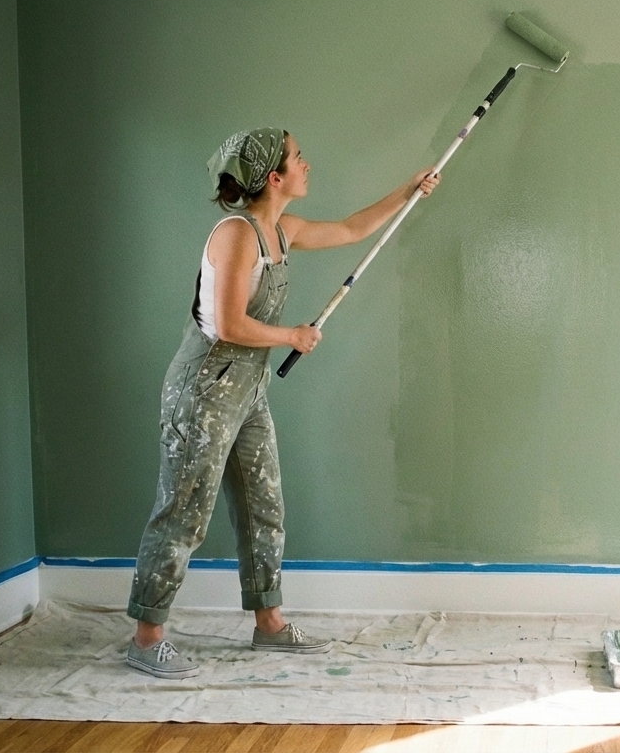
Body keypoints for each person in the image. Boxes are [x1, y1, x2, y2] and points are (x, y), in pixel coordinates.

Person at [125, 128, 440, 679]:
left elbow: (350, 228)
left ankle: (268, 623)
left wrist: (408, 190)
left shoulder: (280, 229)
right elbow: (227, 324)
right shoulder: (236, 234)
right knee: (185, 510)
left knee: (263, 505)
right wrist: (292, 336)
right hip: (203, 388)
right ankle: (147, 636)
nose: (306, 163)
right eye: (298, 157)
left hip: (248, 389)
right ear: (274, 177)